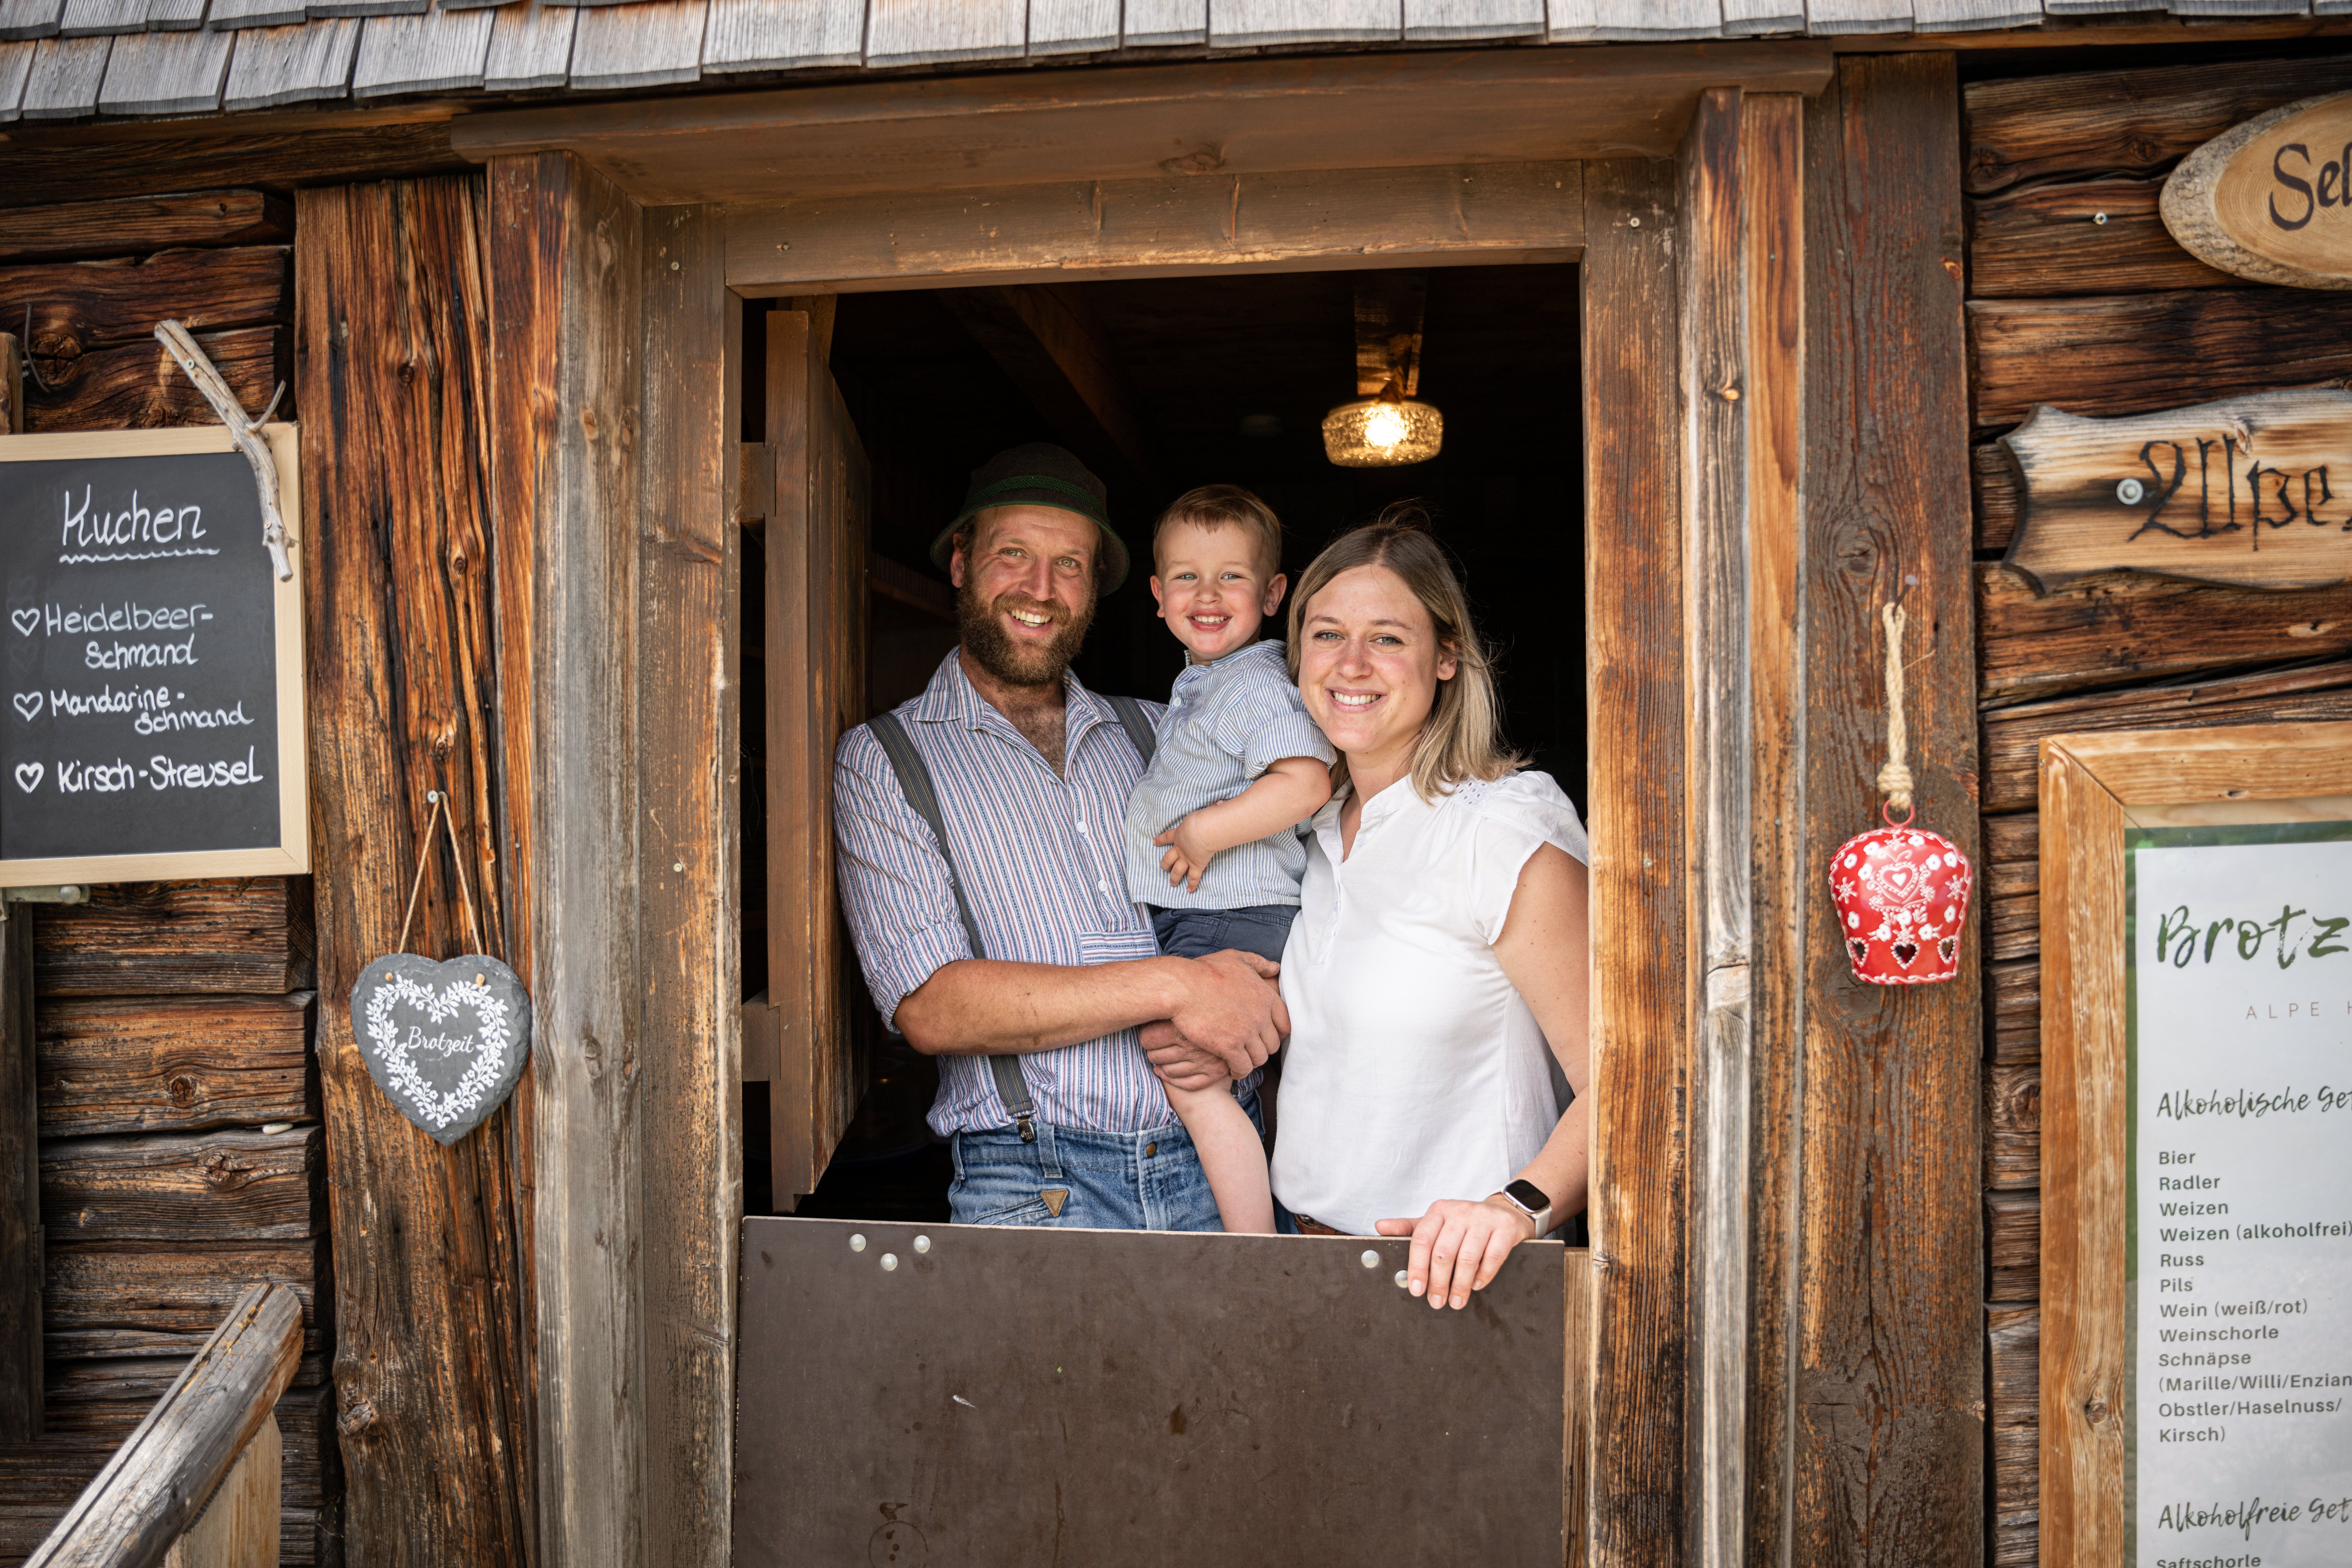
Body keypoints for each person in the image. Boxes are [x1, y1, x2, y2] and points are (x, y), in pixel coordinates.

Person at [831, 443, 1290, 1230]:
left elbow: (1286, 883)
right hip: (1036, 1182)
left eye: (1070, 564)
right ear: (962, 563)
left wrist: (1267, 996)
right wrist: (1179, 985)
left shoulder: (1162, 729)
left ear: (1098, 589)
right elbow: (931, 1006)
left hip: (1227, 1162)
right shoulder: (885, 760)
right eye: (1014, 554)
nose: (1041, 589)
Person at [1260, 509, 1592, 1309]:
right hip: (1298, 1265)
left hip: (1464, 1287)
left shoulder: (1501, 825)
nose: (1351, 663)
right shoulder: (1302, 834)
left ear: (1447, 656)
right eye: (1327, 633)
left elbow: (1632, 1076)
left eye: (1388, 637)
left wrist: (1516, 1206)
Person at [1122, 487, 1335, 1233]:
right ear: (1157, 595)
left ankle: (1254, 1248)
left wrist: (1206, 832)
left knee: (1192, 1083)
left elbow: (1306, 781)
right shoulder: (1205, 685)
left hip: (1230, 913)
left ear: (1274, 593)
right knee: (1236, 1079)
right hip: (1212, 913)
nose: (1206, 595)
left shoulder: (1253, 686)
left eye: (1231, 577)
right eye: (1186, 576)